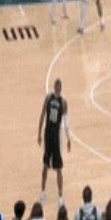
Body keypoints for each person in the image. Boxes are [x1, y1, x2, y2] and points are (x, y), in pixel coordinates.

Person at [38, 78, 71, 207]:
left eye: (58, 87)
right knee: (46, 165)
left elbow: (66, 122)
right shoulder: (49, 99)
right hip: (48, 135)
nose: (57, 89)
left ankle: (60, 196)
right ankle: (43, 193)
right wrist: (39, 133)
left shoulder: (63, 102)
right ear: (56, 87)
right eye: (57, 87)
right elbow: (42, 115)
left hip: (56, 137)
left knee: (58, 168)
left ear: (59, 88)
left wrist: (68, 138)